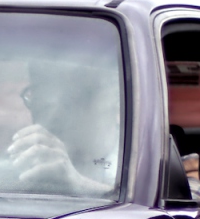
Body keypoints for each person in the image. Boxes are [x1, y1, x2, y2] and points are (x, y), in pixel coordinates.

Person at [7, 61, 119, 196]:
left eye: (71, 97)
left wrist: (80, 184)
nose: (53, 115)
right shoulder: (16, 165)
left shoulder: (134, 165)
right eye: (39, 94)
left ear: (116, 101)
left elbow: (134, 202)